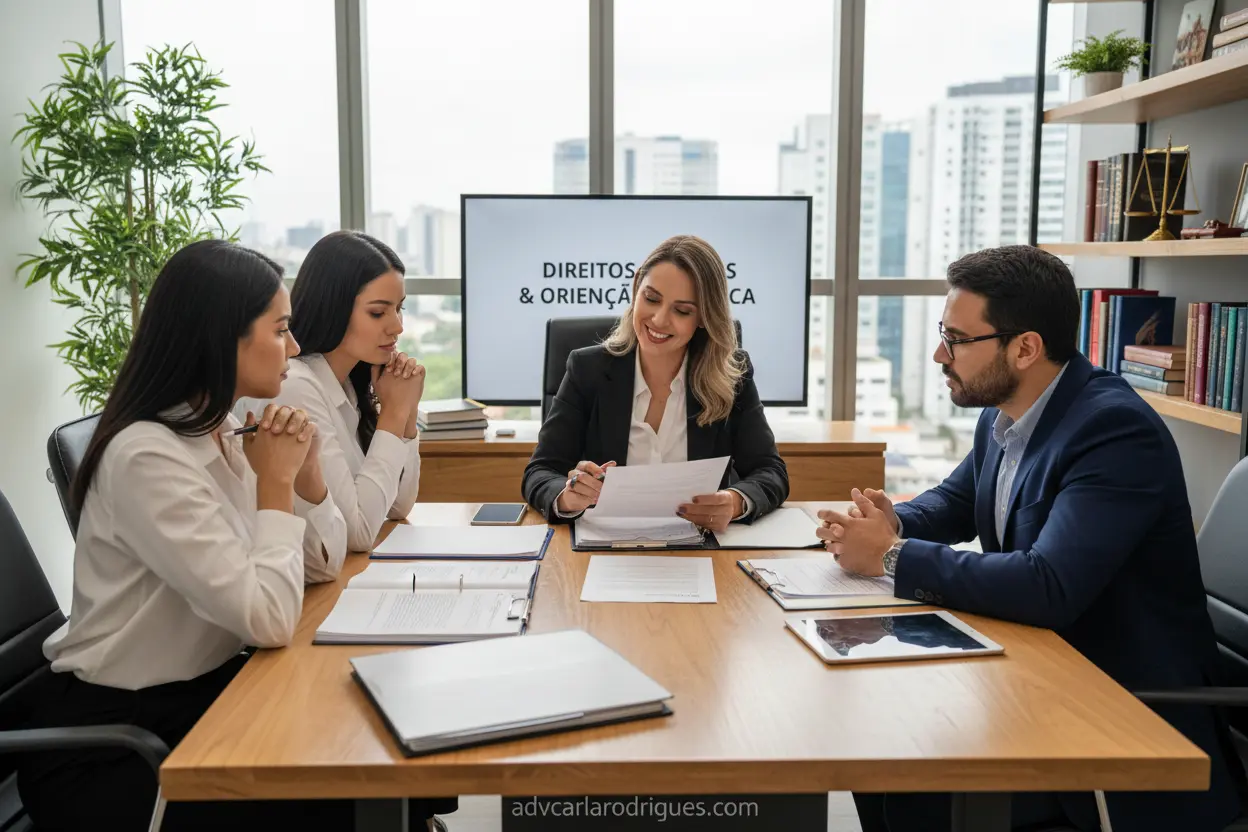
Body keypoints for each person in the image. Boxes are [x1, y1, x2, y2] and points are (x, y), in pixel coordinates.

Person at [818, 245, 1242, 832]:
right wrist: (892, 521)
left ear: (1025, 347)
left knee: (913, 781)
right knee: (880, 753)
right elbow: (958, 501)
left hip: (1119, 718)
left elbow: (1048, 585)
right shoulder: (1004, 411)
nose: (941, 354)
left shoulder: (1113, 432)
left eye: (958, 340)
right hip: (1038, 677)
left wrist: (891, 556)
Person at [17, 239, 357, 830]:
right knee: (343, 789)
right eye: (280, 330)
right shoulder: (146, 457)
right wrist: (274, 487)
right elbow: (270, 618)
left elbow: (321, 566)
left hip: (203, 699)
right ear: (221, 337)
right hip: (116, 745)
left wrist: (306, 478)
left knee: (351, 748)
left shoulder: (220, 429)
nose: (296, 348)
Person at [522, 234, 788, 530]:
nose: (660, 320)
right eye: (651, 298)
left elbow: (770, 472)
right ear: (636, 287)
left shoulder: (732, 375)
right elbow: (541, 471)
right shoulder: (588, 370)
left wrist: (735, 501)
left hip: (701, 549)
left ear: (703, 317)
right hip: (605, 548)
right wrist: (568, 496)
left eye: (682, 310)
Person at [238, 230, 426, 559]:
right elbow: (359, 533)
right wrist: (394, 414)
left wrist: (406, 413)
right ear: (334, 308)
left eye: (400, 309)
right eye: (378, 313)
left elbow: (398, 505)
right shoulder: (294, 385)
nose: (397, 326)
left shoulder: (350, 382)